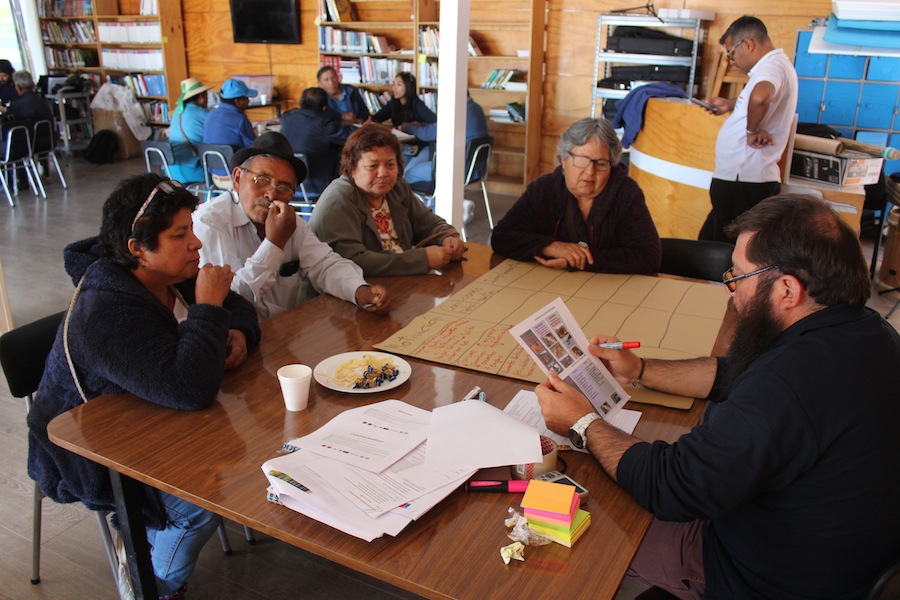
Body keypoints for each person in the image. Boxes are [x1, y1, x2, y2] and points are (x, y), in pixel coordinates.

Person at [535, 194, 900, 600]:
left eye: (739, 277)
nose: (732, 292)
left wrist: (583, 423)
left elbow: (672, 484)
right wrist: (640, 370)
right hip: (833, 558)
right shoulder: (867, 331)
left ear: (787, 290)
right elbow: (735, 373)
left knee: (579, 516)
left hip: (755, 576)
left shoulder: (788, 383)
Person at [27, 173, 261, 599]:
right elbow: (188, 389)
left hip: (156, 417)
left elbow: (237, 305)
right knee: (200, 501)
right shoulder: (107, 311)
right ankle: (150, 583)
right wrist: (208, 309)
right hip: (89, 450)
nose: (196, 244)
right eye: (180, 234)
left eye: (191, 229)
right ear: (137, 249)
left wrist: (239, 330)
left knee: (252, 449)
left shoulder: (169, 274)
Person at [192, 131, 389, 320]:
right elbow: (232, 298)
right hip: (238, 339)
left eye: (283, 187)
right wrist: (274, 244)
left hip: (286, 331)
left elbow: (324, 264)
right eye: (261, 180)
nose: (271, 194)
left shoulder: (289, 220)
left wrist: (360, 291)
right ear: (236, 179)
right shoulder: (210, 222)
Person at [491, 118, 661, 274]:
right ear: (564, 160)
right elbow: (501, 237)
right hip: (550, 287)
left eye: (601, 164)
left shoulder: (626, 194)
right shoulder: (544, 189)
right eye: (581, 159)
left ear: (612, 165)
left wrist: (579, 260)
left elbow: (648, 256)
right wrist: (550, 247)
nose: (590, 172)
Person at [309, 124, 465, 277]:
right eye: (372, 166)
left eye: (390, 164)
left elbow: (429, 224)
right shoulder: (339, 200)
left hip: (398, 282)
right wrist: (421, 259)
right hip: (349, 293)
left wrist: (447, 237)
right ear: (351, 169)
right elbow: (353, 261)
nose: (383, 173)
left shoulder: (397, 188)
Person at [698, 16, 798, 242]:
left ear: (749, 44)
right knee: (708, 240)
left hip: (743, 179)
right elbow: (758, 98)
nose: (732, 61)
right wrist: (730, 104)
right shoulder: (776, 66)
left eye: (731, 53)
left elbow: (761, 97)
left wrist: (752, 132)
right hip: (742, 178)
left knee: (726, 249)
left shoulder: (770, 68)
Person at [400, 92, 490, 194]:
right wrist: (424, 125)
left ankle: (426, 206)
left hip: (457, 170)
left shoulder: (457, 112)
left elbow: (426, 135)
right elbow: (438, 128)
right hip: (476, 170)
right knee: (423, 155)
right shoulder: (476, 108)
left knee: (409, 173)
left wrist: (407, 127)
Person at [279, 87, 352, 197]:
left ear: (301, 102)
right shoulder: (324, 123)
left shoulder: (286, 117)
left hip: (287, 184)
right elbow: (351, 138)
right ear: (324, 107)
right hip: (318, 187)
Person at [167, 77, 214, 183]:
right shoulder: (205, 114)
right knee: (220, 174)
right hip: (192, 171)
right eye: (207, 96)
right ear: (201, 97)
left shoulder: (177, 112)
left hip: (170, 170)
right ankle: (213, 199)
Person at [202, 78, 257, 150]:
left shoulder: (210, 114)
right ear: (237, 101)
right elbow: (252, 147)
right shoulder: (240, 119)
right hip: (234, 160)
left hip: (211, 160)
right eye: (246, 98)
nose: (248, 101)